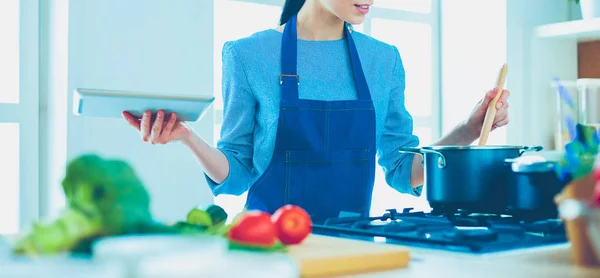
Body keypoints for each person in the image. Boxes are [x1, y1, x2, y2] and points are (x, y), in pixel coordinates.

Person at [122, 0, 510, 223]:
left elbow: (400, 170)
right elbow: (237, 174)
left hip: (352, 252)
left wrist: (468, 130)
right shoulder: (246, 55)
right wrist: (188, 138)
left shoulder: (383, 60)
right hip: (268, 252)